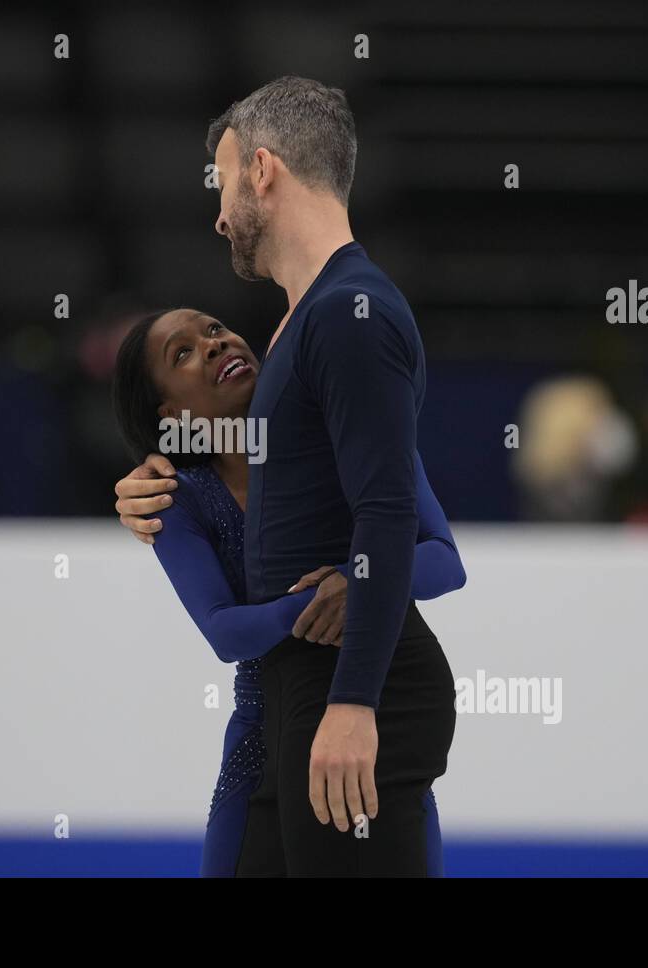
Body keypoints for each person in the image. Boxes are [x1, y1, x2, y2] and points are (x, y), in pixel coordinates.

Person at [115, 76, 461, 875]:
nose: (219, 212)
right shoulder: (188, 482)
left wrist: (354, 667)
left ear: (262, 170)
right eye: (184, 355)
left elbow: (400, 523)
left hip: (347, 700)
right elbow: (225, 627)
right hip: (286, 721)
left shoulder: (337, 322)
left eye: (227, 180)